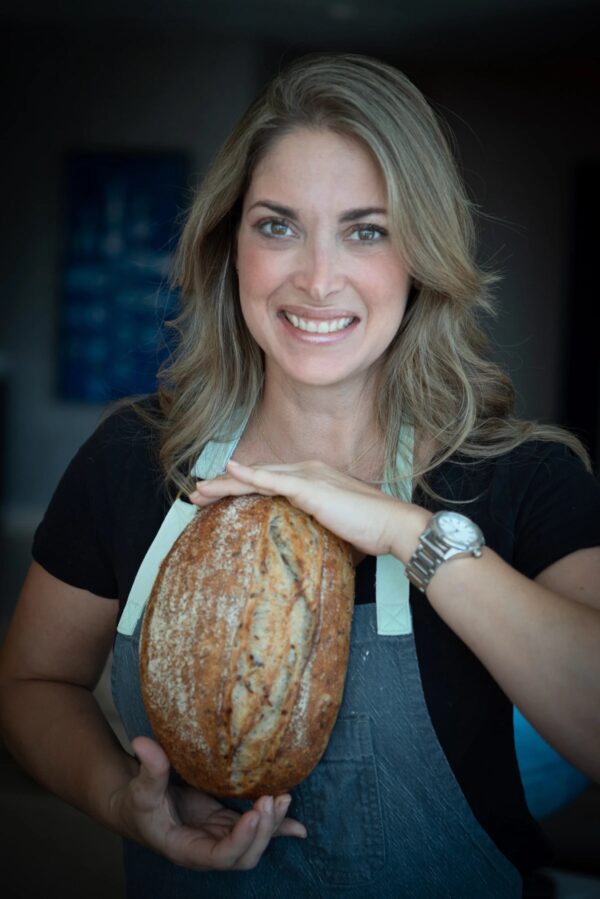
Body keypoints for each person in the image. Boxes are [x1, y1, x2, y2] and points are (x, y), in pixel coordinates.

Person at [1, 53, 599, 899]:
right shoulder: (135, 459)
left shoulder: (523, 478)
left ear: (421, 253)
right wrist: (121, 803)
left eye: (367, 229)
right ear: (229, 244)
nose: (317, 279)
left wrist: (407, 531)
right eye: (277, 225)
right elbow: (33, 682)